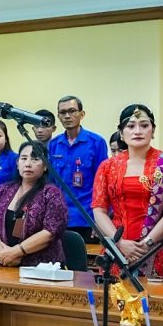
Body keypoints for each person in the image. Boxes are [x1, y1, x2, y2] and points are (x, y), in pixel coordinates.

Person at [91, 103, 163, 277]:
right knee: (117, 293)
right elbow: (99, 210)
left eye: (144, 125)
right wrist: (119, 242)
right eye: (131, 126)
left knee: (156, 295)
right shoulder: (107, 167)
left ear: (153, 130)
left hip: (157, 249)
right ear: (121, 133)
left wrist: (147, 243)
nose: (137, 131)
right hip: (117, 250)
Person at [0, 141, 67, 266]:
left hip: (39, 267)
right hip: (1, 264)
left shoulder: (51, 194)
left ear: (45, 166)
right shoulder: (1, 191)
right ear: (17, 163)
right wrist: (3, 255)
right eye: (24, 158)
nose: (28, 164)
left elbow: (50, 232)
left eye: (35, 159)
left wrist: (15, 253)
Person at [49, 95, 108, 236]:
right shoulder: (54, 145)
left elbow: (104, 184)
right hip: (60, 218)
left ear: (82, 114)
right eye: (63, 112)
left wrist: (101, 220)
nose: (67, 116)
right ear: (58, 116)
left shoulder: (96, 142)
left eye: (72, 111)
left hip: (88, 219)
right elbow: (51, 185)